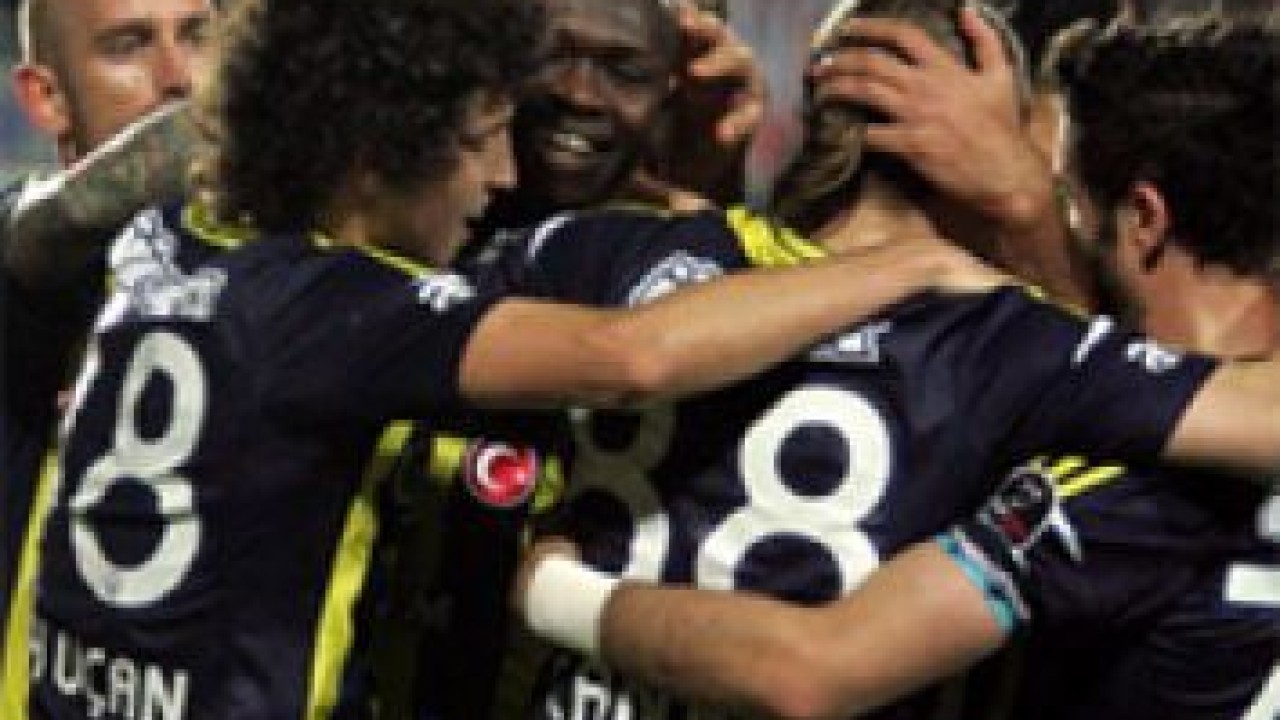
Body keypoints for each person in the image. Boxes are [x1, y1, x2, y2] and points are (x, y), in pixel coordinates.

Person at [0, 0, 989, 716]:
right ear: (382, 148)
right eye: (482, 138)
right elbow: (628, 358)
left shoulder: (161, 239)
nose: (504, 169)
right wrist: (906, 265)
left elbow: (55, 224)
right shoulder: (348, 312)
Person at [513, 14, 1280, 720]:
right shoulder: (1093, 391)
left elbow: (813, 669)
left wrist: (550, 589)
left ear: (1143, 218)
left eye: (1065, 201)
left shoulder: (1137, 488)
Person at [1, 0, 215, 651]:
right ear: (46, 99)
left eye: (198, 36)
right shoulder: (25, 261)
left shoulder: (285, 280)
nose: (179, 78)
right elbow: (34, 231)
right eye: (128, 46)